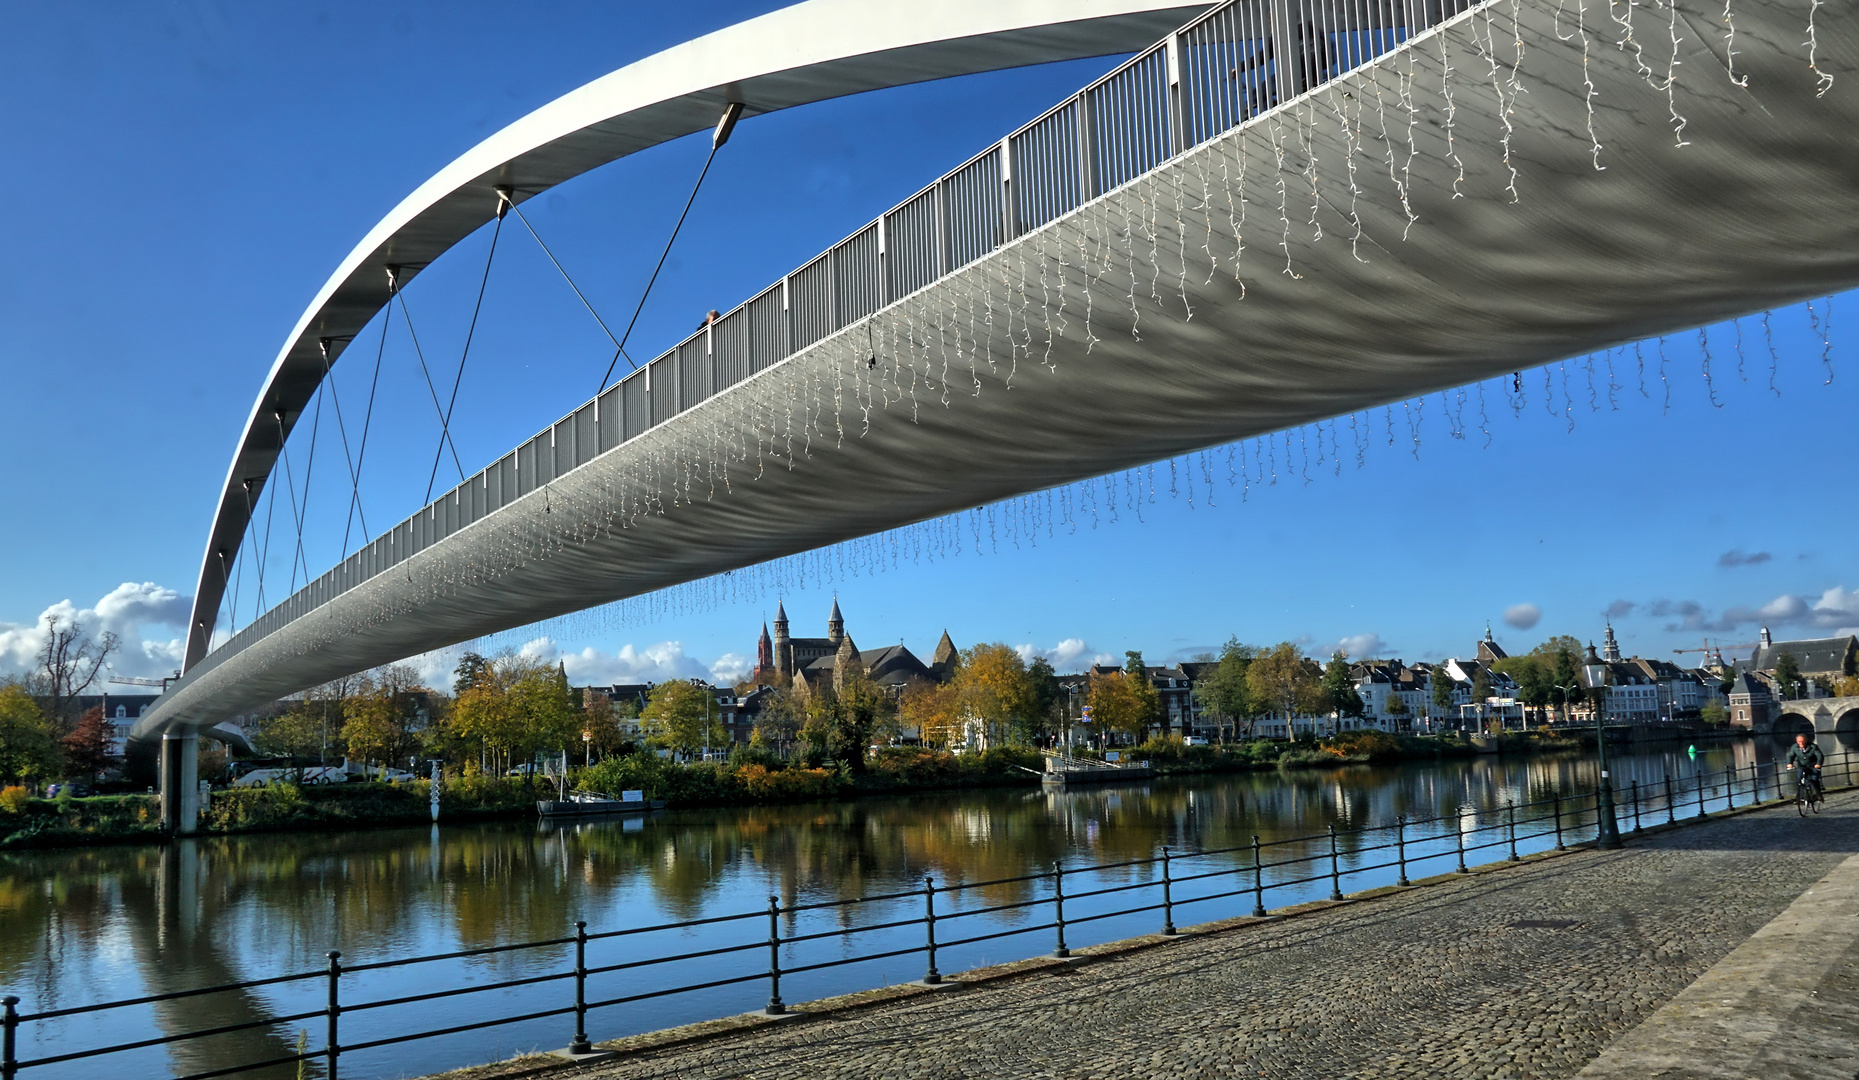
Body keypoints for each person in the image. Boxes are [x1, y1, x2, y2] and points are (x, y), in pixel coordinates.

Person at [1786, 733, 1824, 800]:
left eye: (1803, 741)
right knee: (1799, 780)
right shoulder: (1794, 747)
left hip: (1813, 765)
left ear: (1806, 740)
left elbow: (1819, 755)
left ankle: (1819, 794)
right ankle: (1798, 797)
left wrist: (1818, 764)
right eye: (1799, 742)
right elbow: (1791, 755)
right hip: (1802, 766)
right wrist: (1790, 763)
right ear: (1797, 741)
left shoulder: (1813, 747)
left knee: (1814, 779)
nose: (1801, 743)